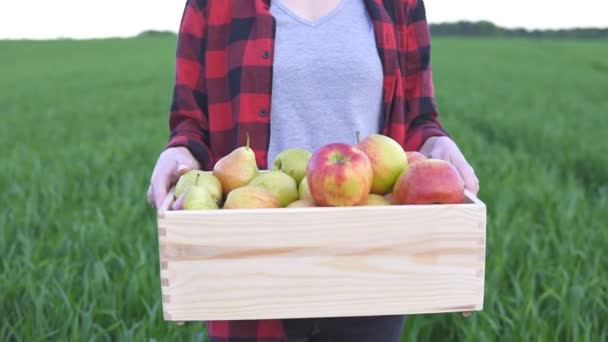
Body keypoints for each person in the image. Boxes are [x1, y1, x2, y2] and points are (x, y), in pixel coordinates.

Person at [148, 0, 479, 340]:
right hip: (249, 269)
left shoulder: (399, 5)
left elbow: (419, 118)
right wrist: (180, 150)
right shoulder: (214, 5)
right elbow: (192, 123)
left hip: (369, 265)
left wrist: (435, 142)